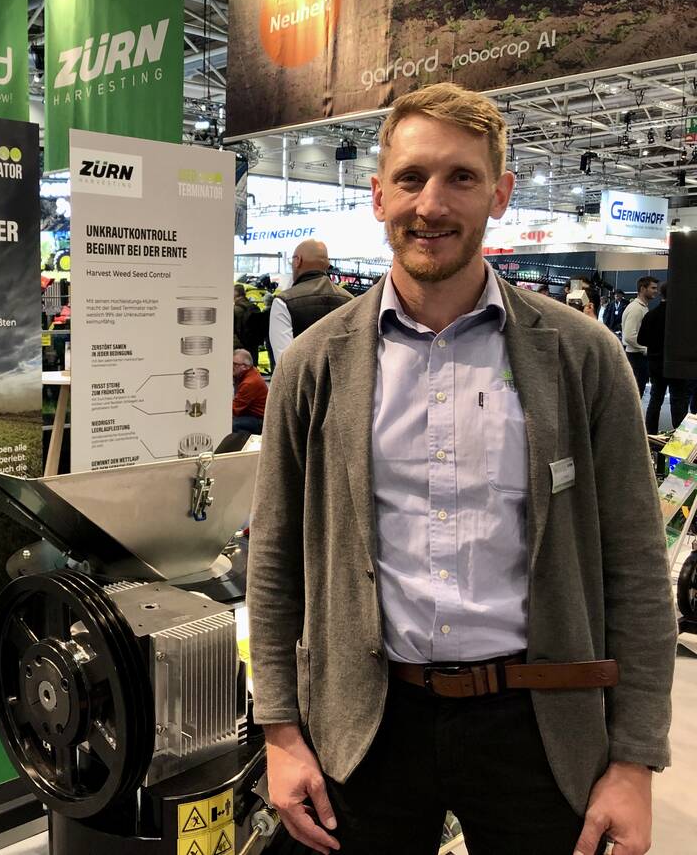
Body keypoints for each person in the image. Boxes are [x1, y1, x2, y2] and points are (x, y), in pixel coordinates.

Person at [249, 82, 674, 855]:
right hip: (366, 723)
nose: (432, 204)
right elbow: (276, 559)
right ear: (378, 196)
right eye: (411, 179)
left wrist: (634, 760)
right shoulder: (316, 365)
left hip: (539, 729)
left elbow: (639, 570)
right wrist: (281, 731)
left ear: (500, 195)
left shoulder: (583, 357)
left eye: (461, 178)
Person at [268, 239, 353, 359]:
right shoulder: (350, 300)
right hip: (342, 377)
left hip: (301, 377)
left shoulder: (284, 302)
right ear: (327, 264)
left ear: (298, 260)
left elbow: (284, 362)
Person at [639, 281, 689, 434]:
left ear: (661, 293)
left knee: (656, 399)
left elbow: (641, 340)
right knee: (678, 400)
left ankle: (650, 433)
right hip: (677, 364)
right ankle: (679, 436)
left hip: (655, 364)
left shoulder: (651, 315)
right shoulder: (683, 318)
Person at [621, 275, 659, 398]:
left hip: (638, 357)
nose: (655, 291)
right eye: (653, 288)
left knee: (637, 394)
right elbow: (629, 335)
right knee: (635, 395)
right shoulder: (636, 309)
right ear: (643, 289)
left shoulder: (641, 307)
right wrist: (645, 349)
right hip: (636, 357)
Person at [231, 347, 267, 434]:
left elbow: (234, 410)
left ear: (245, 367)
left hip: (259, 420)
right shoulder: (250, 372)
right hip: (252, 416)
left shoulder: (249, 383)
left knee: (230, 425)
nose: (231, 367)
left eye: (235, 364)